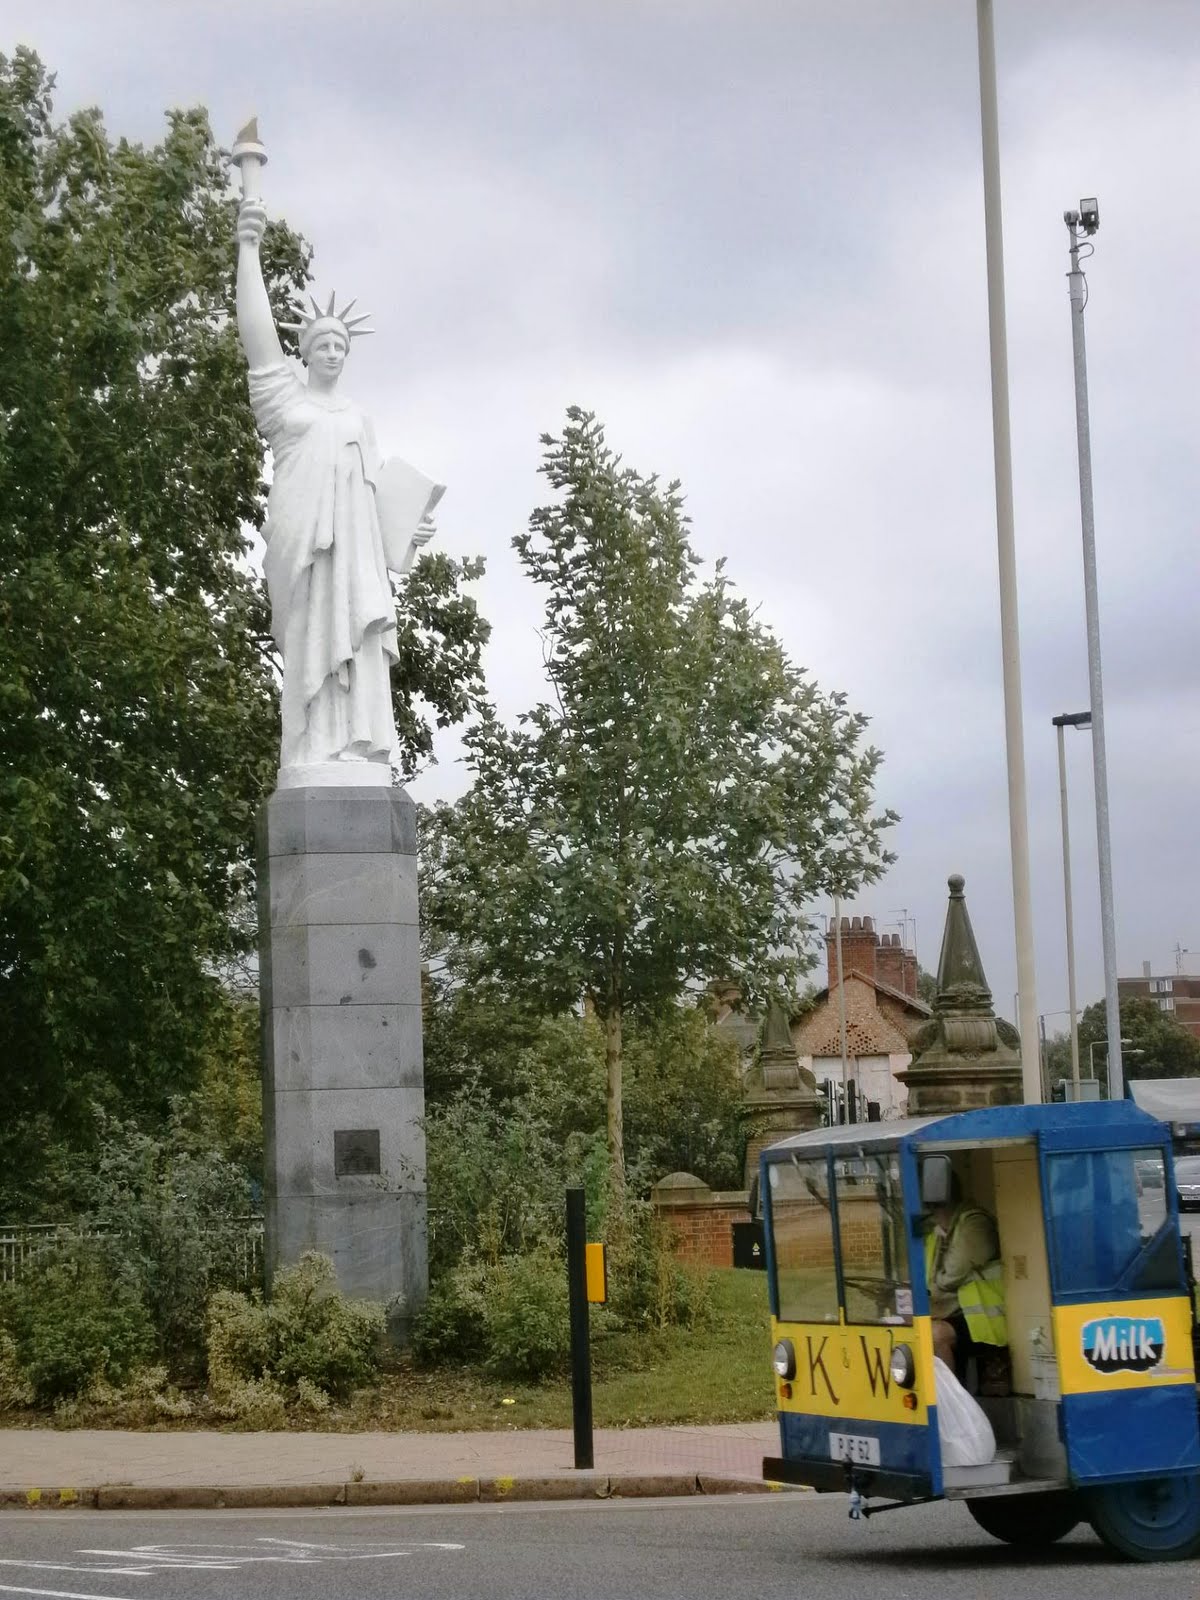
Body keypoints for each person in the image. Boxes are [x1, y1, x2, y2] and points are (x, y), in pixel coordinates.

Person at [235, 197, 434, 774]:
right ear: (303, 351)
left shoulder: (358, 421)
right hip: (301, 551)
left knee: (354, 642)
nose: (331, 352)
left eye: (339, 346)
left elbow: (376, 511)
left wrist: (411, 531)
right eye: (321, 344)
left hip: (353, 564)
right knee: (307, 648)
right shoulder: (283, 402)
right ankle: (309, 749)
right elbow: (255, 332)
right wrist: (248, 247)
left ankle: (352, 746)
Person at [925, 1175, 1006, 1379]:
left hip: (986, 1320)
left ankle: (951, 1403)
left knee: (935, 1335)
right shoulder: (938, 1233)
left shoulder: (975, 1224)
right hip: (955, 1314)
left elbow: (951, 1277)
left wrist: (928, 1298)